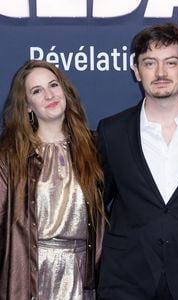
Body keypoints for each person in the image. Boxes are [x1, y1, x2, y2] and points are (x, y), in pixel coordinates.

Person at [96, 23, 178, 300]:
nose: (160, 73)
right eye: (150, 63)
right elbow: (100, 199)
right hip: (126, 279)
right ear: (136, 70)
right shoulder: (111, 131)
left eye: (171, 62)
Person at [0, 60, 105, 300]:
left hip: (83, 277)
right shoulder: (10, 157)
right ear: (27, 106)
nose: (49, 95)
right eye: (37, 91)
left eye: (53, 85)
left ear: (64, 90)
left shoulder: (96, 147)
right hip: (31, 277)